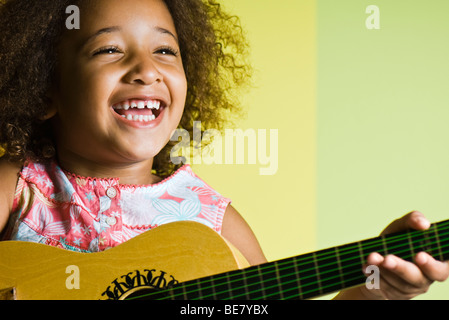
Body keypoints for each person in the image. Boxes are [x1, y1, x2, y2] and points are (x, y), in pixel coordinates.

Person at [0, 0, 447, 300]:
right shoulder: (18, 187)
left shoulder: (212, 219)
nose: (146, 70)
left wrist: (372, 287)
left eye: (164, 51)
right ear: (44, 91)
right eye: (110, 49)